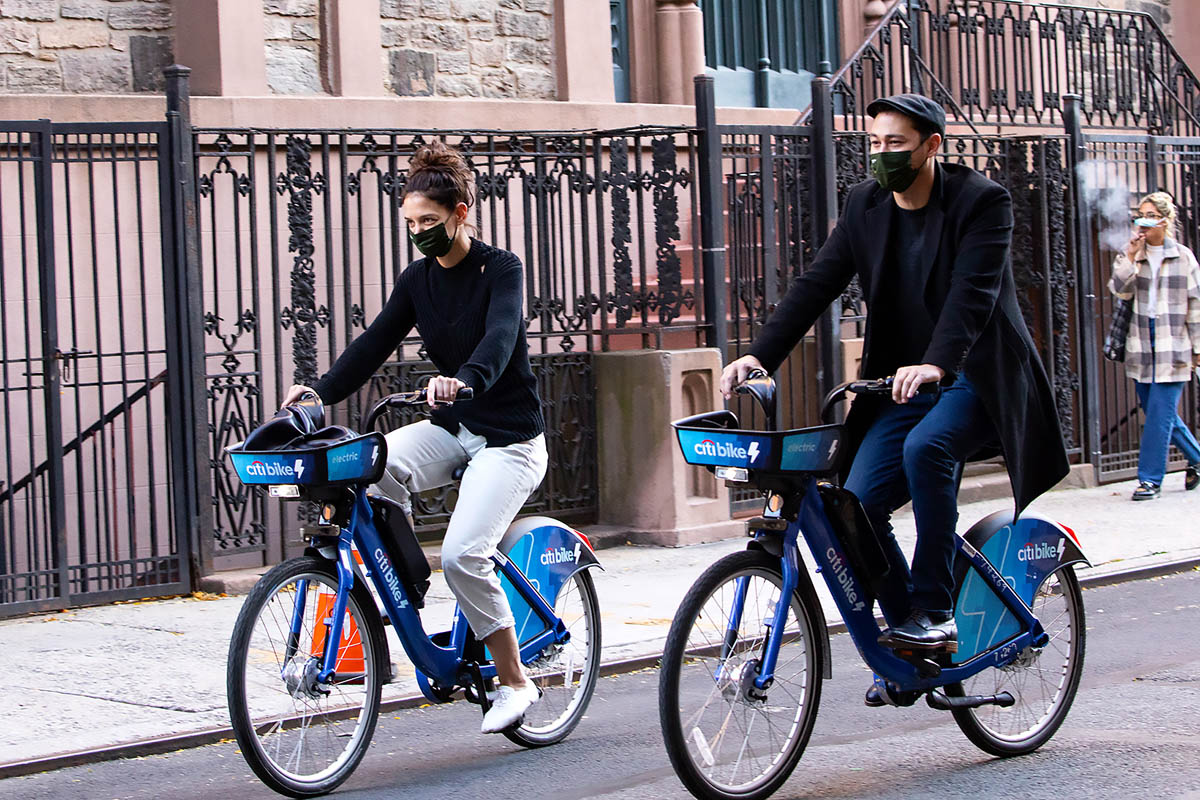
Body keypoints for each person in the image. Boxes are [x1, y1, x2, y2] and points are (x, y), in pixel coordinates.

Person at [720, 94, 1069, 705]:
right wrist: (760, 354)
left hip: (975, 375)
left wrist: (938, 361)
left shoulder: (982, 201)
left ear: (932, 146)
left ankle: (936, 612)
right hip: (900, 381)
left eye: (896, 144)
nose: (881, 155)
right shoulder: (866, 204)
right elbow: (817, 283)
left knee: (927, 449)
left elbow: (973, 293)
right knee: (853, 502)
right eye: (875, 143)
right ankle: (907, 633)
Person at [281, 141, 548, 734]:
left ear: (460, 212)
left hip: (510, 440)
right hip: (454, 429)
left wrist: (465, 379)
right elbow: (373, 343)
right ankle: (405, 585)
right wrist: (319, 392)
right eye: (411, 223)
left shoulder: (501, 269)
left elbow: (501, 337)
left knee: (462, 555)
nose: (419, 233)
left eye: (429, 221)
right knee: (370, 469)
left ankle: (514, 682)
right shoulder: (418, 280)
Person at [1109, 192, 1200, 500]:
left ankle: (1149, 480)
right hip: (1141, 341)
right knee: (1157, 411)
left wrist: (1198, 348)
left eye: (1150, 215)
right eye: (1140, 215)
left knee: (1159, 415)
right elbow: (1120, 290)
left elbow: (1196, 305)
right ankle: (1197, 458)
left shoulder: (1183, 257)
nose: (1143, 221)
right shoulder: (1134, 253)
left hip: (1174, 343)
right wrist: (1130, 256)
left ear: (1164, 220)